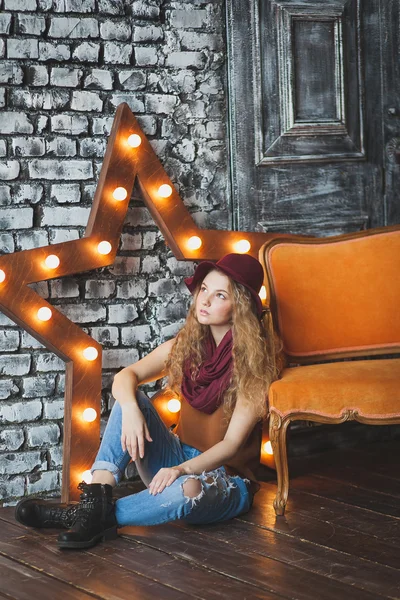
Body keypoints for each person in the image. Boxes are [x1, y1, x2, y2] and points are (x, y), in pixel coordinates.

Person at [15, 253, 281, 550]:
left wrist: (181, 471)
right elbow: (126, 376)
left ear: (240, 307)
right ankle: (97, 494)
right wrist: (130, 410)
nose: (204, 300)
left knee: (188, 491)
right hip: (175, 456)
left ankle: (82, 515)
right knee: (133, 397)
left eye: (220, 295)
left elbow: (231, 445)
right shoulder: (185, 348)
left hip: (224, 479)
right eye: (204, 289)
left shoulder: (253, 368)